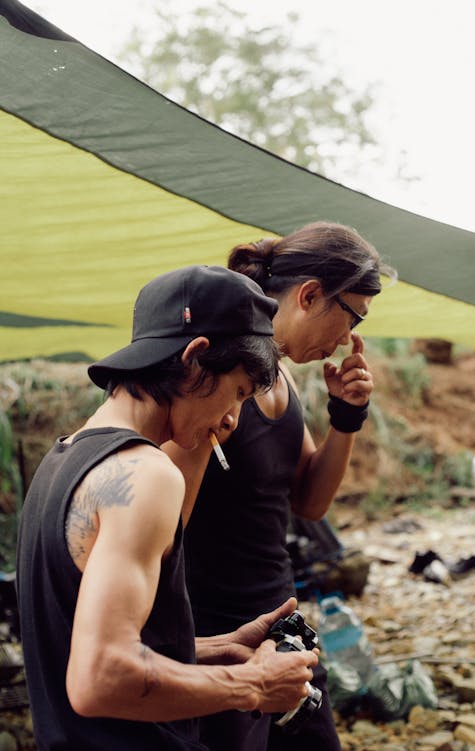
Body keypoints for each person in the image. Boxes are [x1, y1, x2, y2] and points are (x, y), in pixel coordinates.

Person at [16, 265, 319, 751]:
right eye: (238, 393)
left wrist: (219, 650)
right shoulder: (147, 474)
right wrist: (255, 685)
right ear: (196, 358)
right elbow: (100, 678)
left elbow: (82, 646)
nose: (232, 420)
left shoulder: (64, 458)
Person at [165, 222, 396, 751]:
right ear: (310, 295)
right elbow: (164, 524)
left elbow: (310, 504)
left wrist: (347, 417)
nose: (346, 339)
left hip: (281, 621)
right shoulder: (222, 375)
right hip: (216, 632)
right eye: (351, 316)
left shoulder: (283, 379)